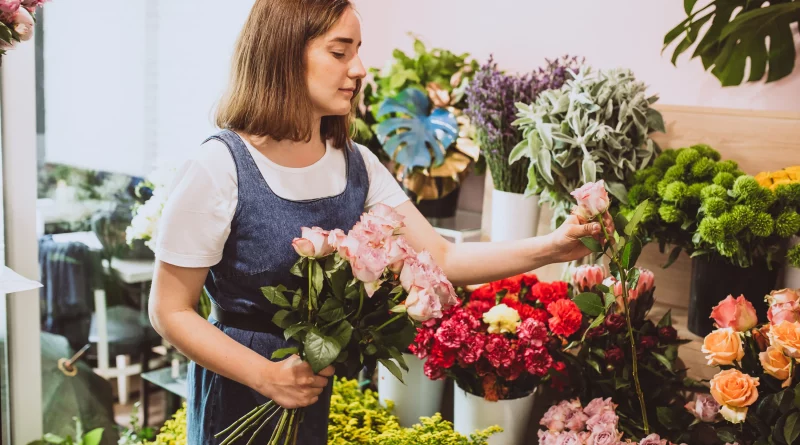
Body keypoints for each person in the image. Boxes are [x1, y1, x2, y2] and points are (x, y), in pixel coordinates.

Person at [147, 0, 611, 443]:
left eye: (358, 51)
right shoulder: (219, 166)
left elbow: (442, 256)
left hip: (313, 386)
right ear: (284, 53)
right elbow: (169, 310)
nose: (359, 69)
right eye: (339, 51)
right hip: (238, 392)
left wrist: (552, 247)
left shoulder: (356, 164)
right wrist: (266, 376)